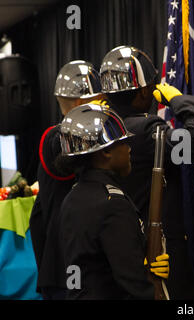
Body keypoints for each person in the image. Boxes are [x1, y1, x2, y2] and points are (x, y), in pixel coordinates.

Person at [100, 45, 194, 299]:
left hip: (121, 255)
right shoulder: (144, 130)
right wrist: (177, 100)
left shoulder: (102, 129)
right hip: (158, 254)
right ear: (143, 91)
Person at [56, 103, 169, 299]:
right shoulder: (112, 204)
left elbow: (82, 271)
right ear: (106, 152)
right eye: (123, 143)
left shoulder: (72, 198)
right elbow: (133, 284)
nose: (129, 150)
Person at [29, 60, 107, 299]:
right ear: (79, 103)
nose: (105, 103)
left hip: (79, 269)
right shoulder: (56, 139)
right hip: (66, 271)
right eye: (99, 98)